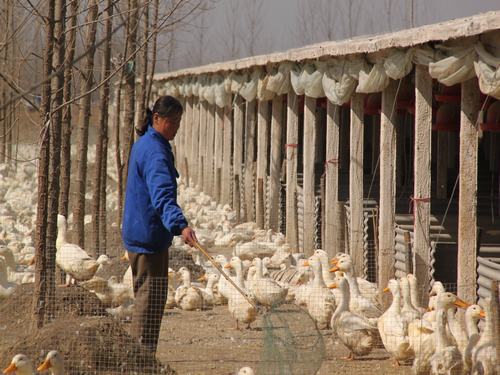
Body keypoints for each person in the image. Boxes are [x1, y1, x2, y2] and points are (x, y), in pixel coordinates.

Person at [122, 95, 197, 355]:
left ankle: (144, 359)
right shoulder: (154, 151)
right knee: (148, 304)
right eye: (172, 121)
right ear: (157, 119)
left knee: (150, 301)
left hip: (145, 233)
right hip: (148, 239)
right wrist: (180, 225)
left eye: (179, 122)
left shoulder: (148, 144)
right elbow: (162, 194)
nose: (176, 127)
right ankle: (140, 361)